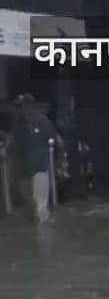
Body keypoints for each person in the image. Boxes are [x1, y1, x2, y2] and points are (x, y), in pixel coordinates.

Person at [10, 94, 61, 223]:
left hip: (40, 166)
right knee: (27, 196)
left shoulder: (42, 121)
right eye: (19, 107)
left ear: (30, 105)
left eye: (23, 106)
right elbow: (15, 143)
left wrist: (57, 160)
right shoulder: (18, 124)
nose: (21, 109)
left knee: (40, 199)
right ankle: (35, 218)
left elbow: (54, 139)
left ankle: (43, 221)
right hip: (24, 167)